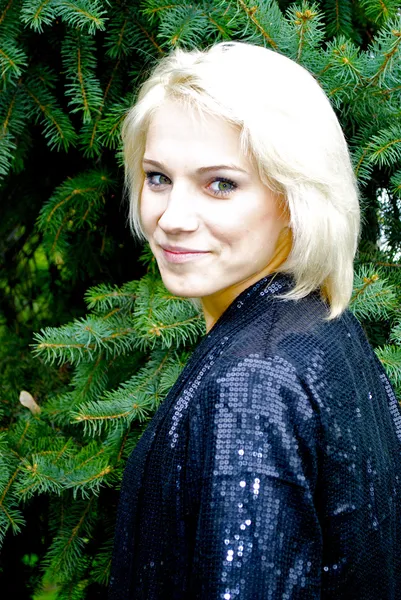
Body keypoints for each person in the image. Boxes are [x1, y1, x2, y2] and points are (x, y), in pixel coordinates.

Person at [108, 41, 401, 599]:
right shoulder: (322, 326)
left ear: (294, 198)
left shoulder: (252, 384)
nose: (171, 218)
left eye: (221, 184)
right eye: (157, 177)